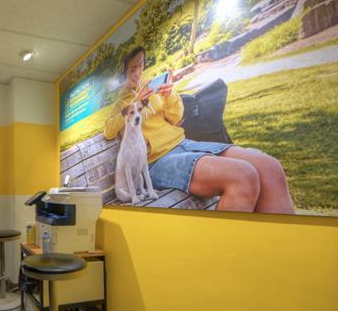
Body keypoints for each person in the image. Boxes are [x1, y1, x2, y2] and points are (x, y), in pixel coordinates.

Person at [104, 46, 294, 213]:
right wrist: (134, 103)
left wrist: (170, 95)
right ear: (122, 74)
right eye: (132, 69)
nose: (138, 72)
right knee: (243, 176)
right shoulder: (120, 104)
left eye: (140, 65)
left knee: (270, 167)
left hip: (183, 144)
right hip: (156, 162)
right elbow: (109, 131)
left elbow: (175, 117)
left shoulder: (150, 88)